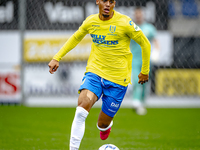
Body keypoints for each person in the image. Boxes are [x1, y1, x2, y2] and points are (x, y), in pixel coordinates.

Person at [48, 0, 151, 150]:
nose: (108, 4)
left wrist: (145, 71)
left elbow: (145, 43)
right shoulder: (91, 21)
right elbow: (76, 37)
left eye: (111, 1)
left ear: (115, 3)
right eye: (105, 1)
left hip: (117, 80)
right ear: (98, 1)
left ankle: (105, 126)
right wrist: (57, 57)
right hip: (94, 74)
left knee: (102, 124)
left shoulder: (124, 22)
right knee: (81, 110)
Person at [130, 7, 160, 115]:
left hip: (147, 60)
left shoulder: (149, 28)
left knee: (144, 83)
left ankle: (141, 103)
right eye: (136, 14)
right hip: (134, 58)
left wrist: (156, 52)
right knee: (136, 79)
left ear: (143, 15)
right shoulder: (131, 28)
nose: (138, 16)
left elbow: (156, 41)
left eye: (140, 14)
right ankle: (136, 101)